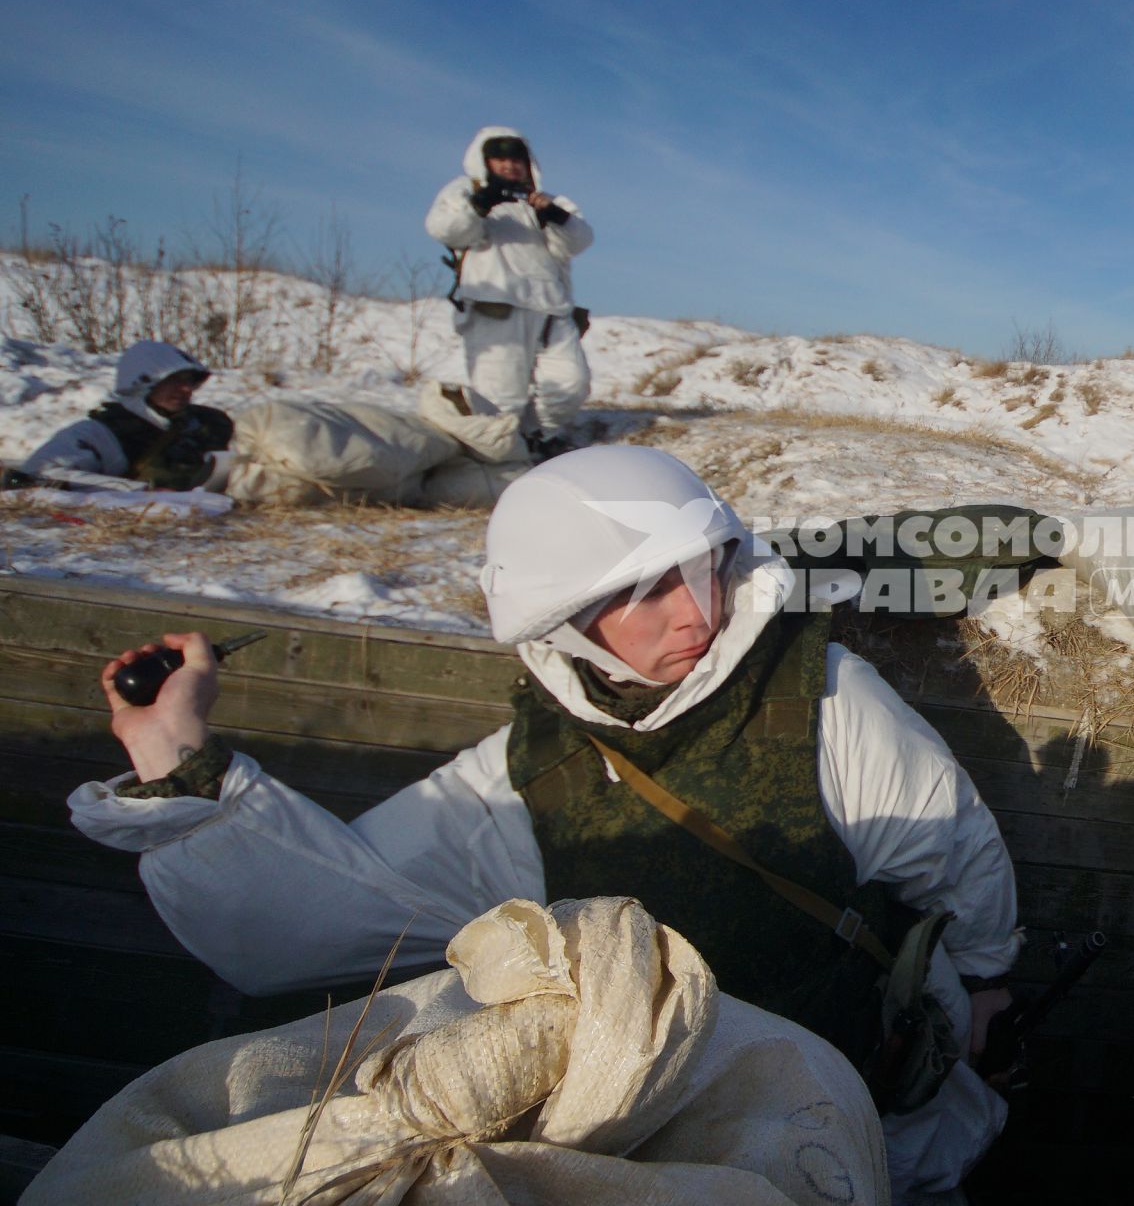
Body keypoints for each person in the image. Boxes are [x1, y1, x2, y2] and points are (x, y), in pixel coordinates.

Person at [70, 445, 1020, 1203]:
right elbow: (325, 917)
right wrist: (180, 764)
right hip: (675, 1131)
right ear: (561, 624)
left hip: (869, 1089)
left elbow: (954, 848)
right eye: (640, 590)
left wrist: (983, 982)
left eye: (702, 566)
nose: (694, 609)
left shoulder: (823, 701)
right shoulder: (531, 775)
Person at [426, 126, 594, 459]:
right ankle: (502, 457)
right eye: (500, 158)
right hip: (495, 306)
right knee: (502, 395)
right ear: (484, 160)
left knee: (570, 384)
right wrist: (479, 205)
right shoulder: (464, 192)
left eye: (516, 159)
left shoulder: (543, 200)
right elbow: (444, 229)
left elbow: (580, 240)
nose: (509, 166)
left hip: (551, 308)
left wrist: (554, 216)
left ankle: (541, 437)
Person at [11, 341, 233, 492]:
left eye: (190, 381)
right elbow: (33, 477)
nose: (186, 389)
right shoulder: (98, 433)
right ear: (141, 384)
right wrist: (141, 493)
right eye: (175, 380)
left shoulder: (209, 424)